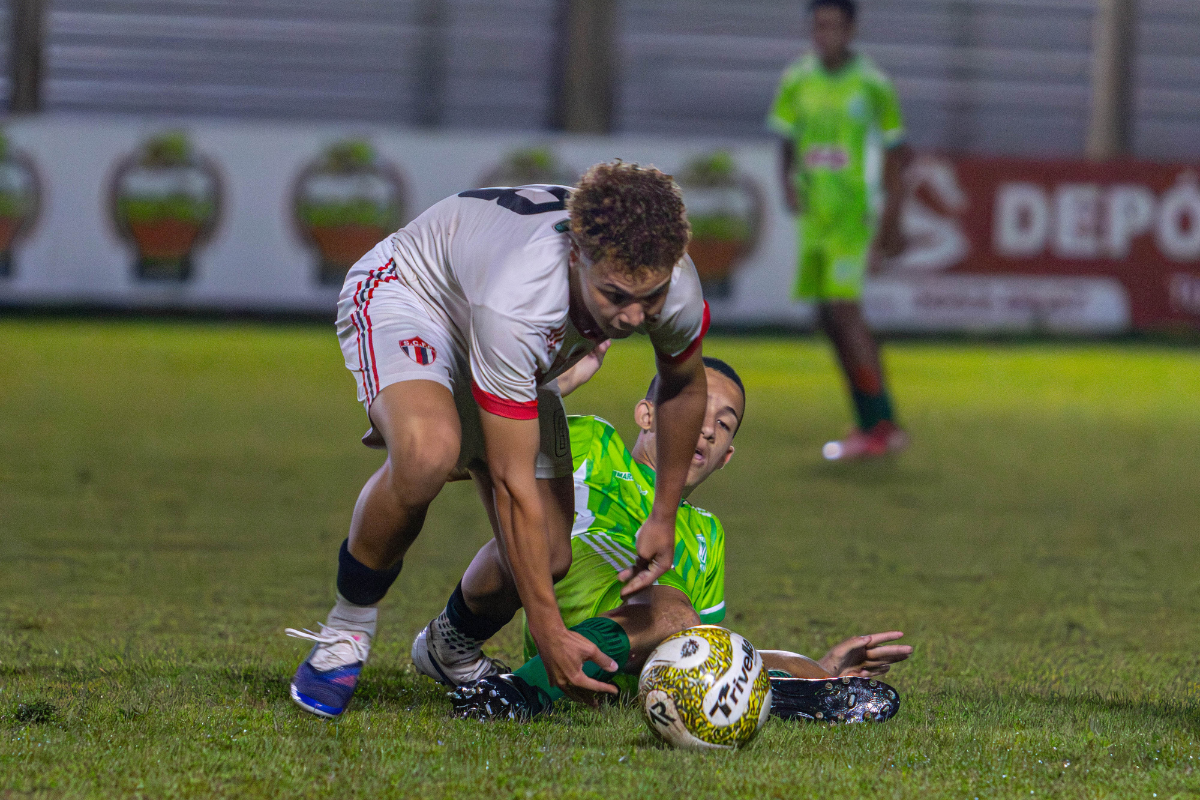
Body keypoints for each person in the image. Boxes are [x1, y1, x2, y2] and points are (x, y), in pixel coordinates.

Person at [284, 162, 712, 718]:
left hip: (502, 335)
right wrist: (549, 630)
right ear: (577, 254)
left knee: (552, 554)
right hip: (414, 294)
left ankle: (448, 646)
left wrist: (664, 513)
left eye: (648, 299)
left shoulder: (676, 285)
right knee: (425, 455)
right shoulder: (524, 292)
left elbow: (681, 389)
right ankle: (346, 629)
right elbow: (512, 487)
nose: (633, 318)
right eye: (615, 296)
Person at [443, 354, 912, 722]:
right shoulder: (590, 442)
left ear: (725, 456)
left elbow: (708, 647)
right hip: (551, 610)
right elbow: (465, 456)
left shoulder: (706, 532)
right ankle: (503, 679)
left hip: (640, 665)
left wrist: (821, 669)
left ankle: (798, 690)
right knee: (534, 547)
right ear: (647, 415)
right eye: (695, 411)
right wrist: (555, 387)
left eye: (723, 424)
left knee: (684, 620)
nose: (705, 429)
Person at [767, 0, 914, 460]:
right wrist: (787, 185)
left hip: (853, 217)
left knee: (844, 312)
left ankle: (883, 424)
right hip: (816, 220)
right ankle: (871, 418)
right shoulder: (797, 79)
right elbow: (786, 139)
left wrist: (892, 220)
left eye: (833, 25)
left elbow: (896, 154)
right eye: (818, 25)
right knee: (829, 319)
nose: (824, 33)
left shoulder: (872, 84)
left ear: (851, 30)